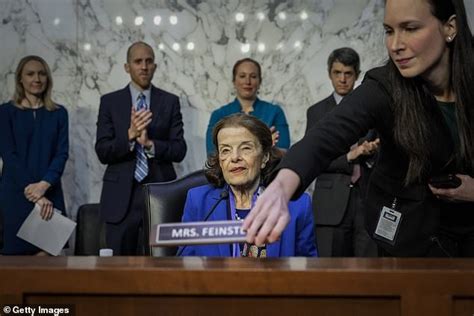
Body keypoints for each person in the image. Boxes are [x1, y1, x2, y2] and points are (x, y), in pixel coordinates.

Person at [244, 0, 474, 257]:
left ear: (449, 27)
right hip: (410, 243)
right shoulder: (384, 86)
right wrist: (281, 186)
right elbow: (328, 134)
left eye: (410, 28)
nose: (396, 45)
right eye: (389, 31)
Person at [179, 114, 317, 257]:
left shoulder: (298, 205)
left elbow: (308, 269)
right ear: (220, 160)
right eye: (225, 150)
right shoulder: (198, 201)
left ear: (264, 157)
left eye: (245, 148)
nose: (234, 157)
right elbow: (184, 263)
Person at [95, 41, 187, 255]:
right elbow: (102, 150)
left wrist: (149, 144)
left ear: (154, 66)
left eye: (149, 61)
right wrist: (129, 135)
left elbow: (180, 149)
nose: (144, 66)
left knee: (161, 267)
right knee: (117, 270)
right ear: (127, 67)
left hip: (160, 194)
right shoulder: (110, 102)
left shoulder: (170, 101)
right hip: (120, 200)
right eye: (138, 61)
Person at [305, 47, 379, 257]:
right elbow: (313, 159)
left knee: (368, 272)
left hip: (367, 199)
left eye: (348, 73)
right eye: (338, 73)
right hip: (330, 202)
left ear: (357, 75)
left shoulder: (373, 108)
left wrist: (373, 153)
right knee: (329, 274)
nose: (343, 79)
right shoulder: (316, 112)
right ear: (329, 74)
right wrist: (349, 156)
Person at [0, 55, 69, 255]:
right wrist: (36, 194)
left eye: (41, 74)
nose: (36, 79)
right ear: (20, 79)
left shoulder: (59, 113)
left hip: (50, 193)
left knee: (48, 263)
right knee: (14, 266)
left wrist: (44, 185)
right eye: (30, 74)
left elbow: (62, 153)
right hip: (15, 195)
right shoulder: (5, 112)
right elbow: (8, 155)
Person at [205, 58, 290, 156]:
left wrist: (270, 149)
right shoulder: (219, 115)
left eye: (253, 76)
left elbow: (285, 153)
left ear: (260, 81)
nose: (247, 81)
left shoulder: (275, 112)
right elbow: (212, 154)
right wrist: (262, 144)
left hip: (268, 170)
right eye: (242, 76)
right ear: (234, 81)